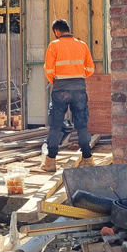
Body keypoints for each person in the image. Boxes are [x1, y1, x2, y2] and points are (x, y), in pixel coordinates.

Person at [41, 19, 95, 171]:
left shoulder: (54, 45)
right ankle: (88, 159)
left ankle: (50, 162)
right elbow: (90, 69)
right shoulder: (82, 45)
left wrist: (54, 80)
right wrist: (78, 77)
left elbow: (48, 70)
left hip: (60, 89)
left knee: (55, 125)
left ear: (56, 32)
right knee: (82, 125)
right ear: (69, 30)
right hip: (79, 89)